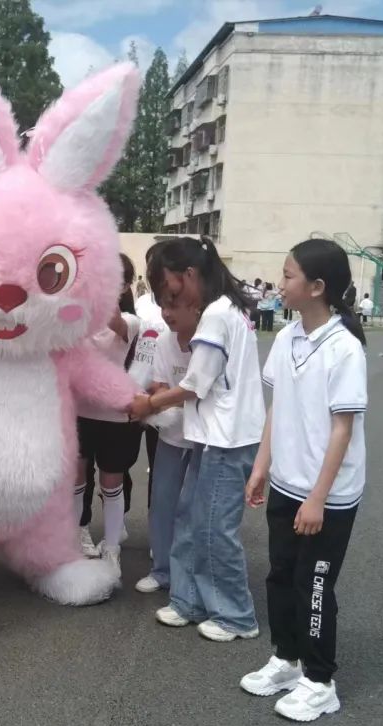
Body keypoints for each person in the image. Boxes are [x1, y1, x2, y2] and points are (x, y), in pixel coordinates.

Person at [242, 238, 367, 723]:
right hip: (286, 485)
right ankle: (286, 658)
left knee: (314, 587)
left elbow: (343, 428)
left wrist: (318, 498)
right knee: (280, 576)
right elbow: (279, 409)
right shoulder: (289, 337)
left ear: (317, 287)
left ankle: (320, 680)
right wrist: (260, 468)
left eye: (290, 274)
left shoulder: (344, 348)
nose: (281, 281)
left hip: (326, 498)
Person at [130, 236, 264, 642]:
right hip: (212, 436)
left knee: (213, 528)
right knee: (190, 518)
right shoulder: (226, 310)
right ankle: (189, 601)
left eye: (169, 289)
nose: (167, 301)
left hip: (228, 438)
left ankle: (236, 615)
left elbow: (195, 384)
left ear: (189, 275)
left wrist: (149, 404)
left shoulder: (219, 315)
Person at [75, 254, 146, 574]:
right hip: (78, 412)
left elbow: (113, 320)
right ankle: (77, 537)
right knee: (77, 481)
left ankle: (113, 547)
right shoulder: (77, 318)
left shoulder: (130, 322)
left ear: (125, 287)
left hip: (115, 417)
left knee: (110, 484)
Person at [133, 296, 199, 596]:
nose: (167, 314)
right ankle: (161, 571)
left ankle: (193, 575)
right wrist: (162, 397)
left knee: (195, 510)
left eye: (175, 306)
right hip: (171, 436)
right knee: (162, 503)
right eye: (164, 308)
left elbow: (195, 388)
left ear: (195, 306)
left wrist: (156, 401)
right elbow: (160, 385)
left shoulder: (207, 343)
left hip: (205, 439)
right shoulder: (163, 342)